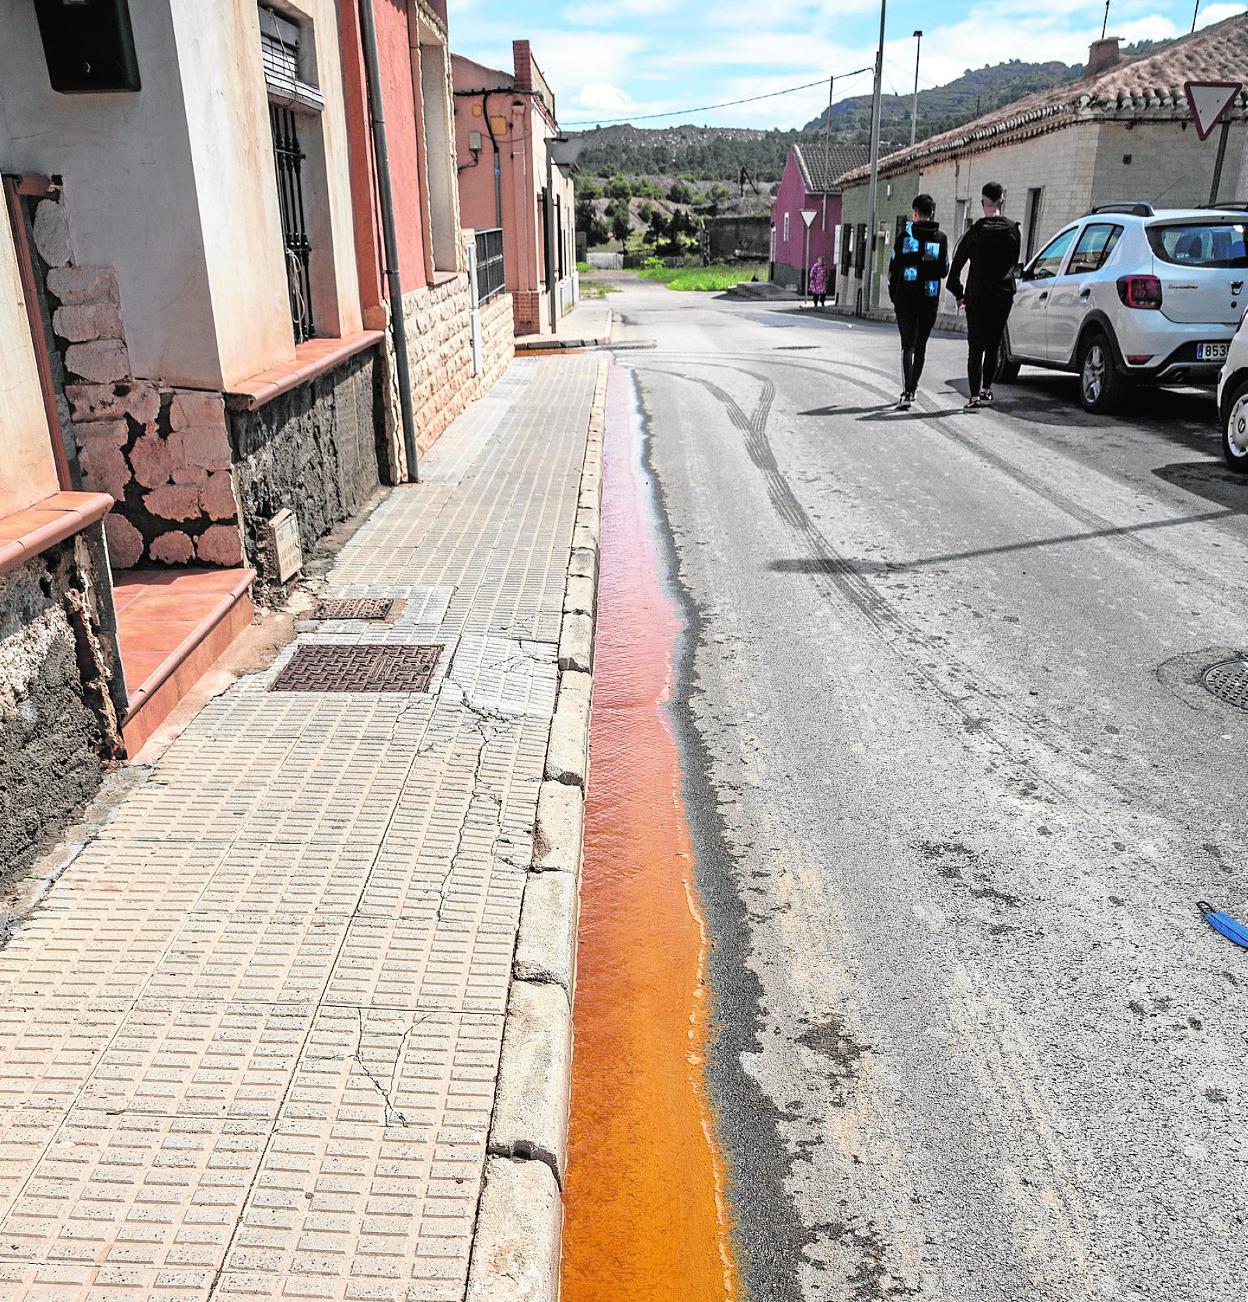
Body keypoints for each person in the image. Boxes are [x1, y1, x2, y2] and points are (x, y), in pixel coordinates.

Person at [947, 181, 1021, 409]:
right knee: (993, 343)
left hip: (977, 297)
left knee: (975, 348)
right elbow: (1013, 264)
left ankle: (974, 396)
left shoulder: (974, 233)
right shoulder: (1013, 231)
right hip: (1002, 296)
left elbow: (954, 273)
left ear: (982, 204)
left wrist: (960, 295)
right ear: (1002, 201)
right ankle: (987, 388)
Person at [887, 194, 949, 409]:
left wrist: (893, 295)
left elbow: (893, 268)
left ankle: (906, 391)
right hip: (928, 299)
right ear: (931, 213)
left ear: (915, 213)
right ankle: (913, 389)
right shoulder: (940, 238)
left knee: (907, 346)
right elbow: (943, 270)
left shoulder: (904, 236)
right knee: (921, 346)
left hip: (905, 298)